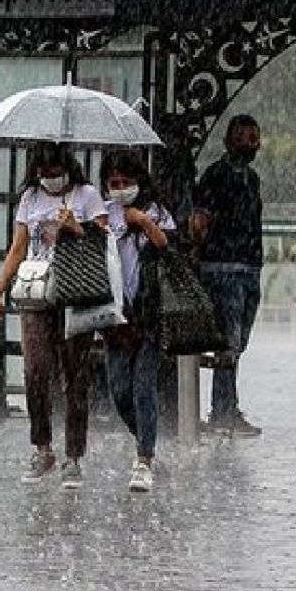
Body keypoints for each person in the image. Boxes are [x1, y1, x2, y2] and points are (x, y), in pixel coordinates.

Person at [0, 141, 108, 489]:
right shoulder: (31, 199)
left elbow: (106, 242)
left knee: (75, 374)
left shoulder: (87, 196)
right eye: (43, 174)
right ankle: (43, 447)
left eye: (55, 173)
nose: (50, 180)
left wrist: (77, 228)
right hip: (38, 293)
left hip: (76, 292)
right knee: (35, 369)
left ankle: (74, 454)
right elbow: (18, 247)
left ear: (67, 168)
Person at [99, 150, 174, 491]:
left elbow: (166, 245)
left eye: (126, 182)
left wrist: (142, 220)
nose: (120, 188)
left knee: (143, 385)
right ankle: (146, 436)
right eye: (114, 183)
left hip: (149, 313)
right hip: (116, 316)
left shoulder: (156, 210)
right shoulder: (102, 212)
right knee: (119, 390)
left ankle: (144, 457)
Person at [189, 114, 264, 436]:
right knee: (228, 342)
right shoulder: (216, 176)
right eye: (244, 136)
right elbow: (200, 220)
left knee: (238, 342)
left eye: (254, 137)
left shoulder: (252, 179)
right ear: (229, 140)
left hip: (248, 267)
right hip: (222, 268)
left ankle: (226, 406)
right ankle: (223, 409)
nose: (250, 142)